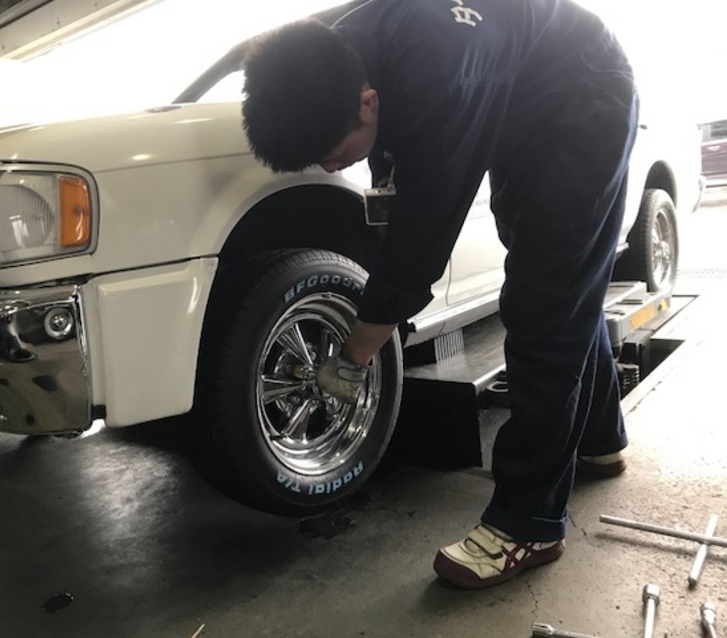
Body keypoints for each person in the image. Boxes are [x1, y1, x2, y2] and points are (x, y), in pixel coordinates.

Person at [241, 0, 638, 589]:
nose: (329, 168)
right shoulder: (333, 56)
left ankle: (529, 522)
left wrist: (354, 355)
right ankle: (601, 438)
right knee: (559, 278)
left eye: (333, 154)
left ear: (367, 103)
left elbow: (423, 235)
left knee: (543, 298)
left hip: (583, 95)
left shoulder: (441, 78)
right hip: (517, 95)